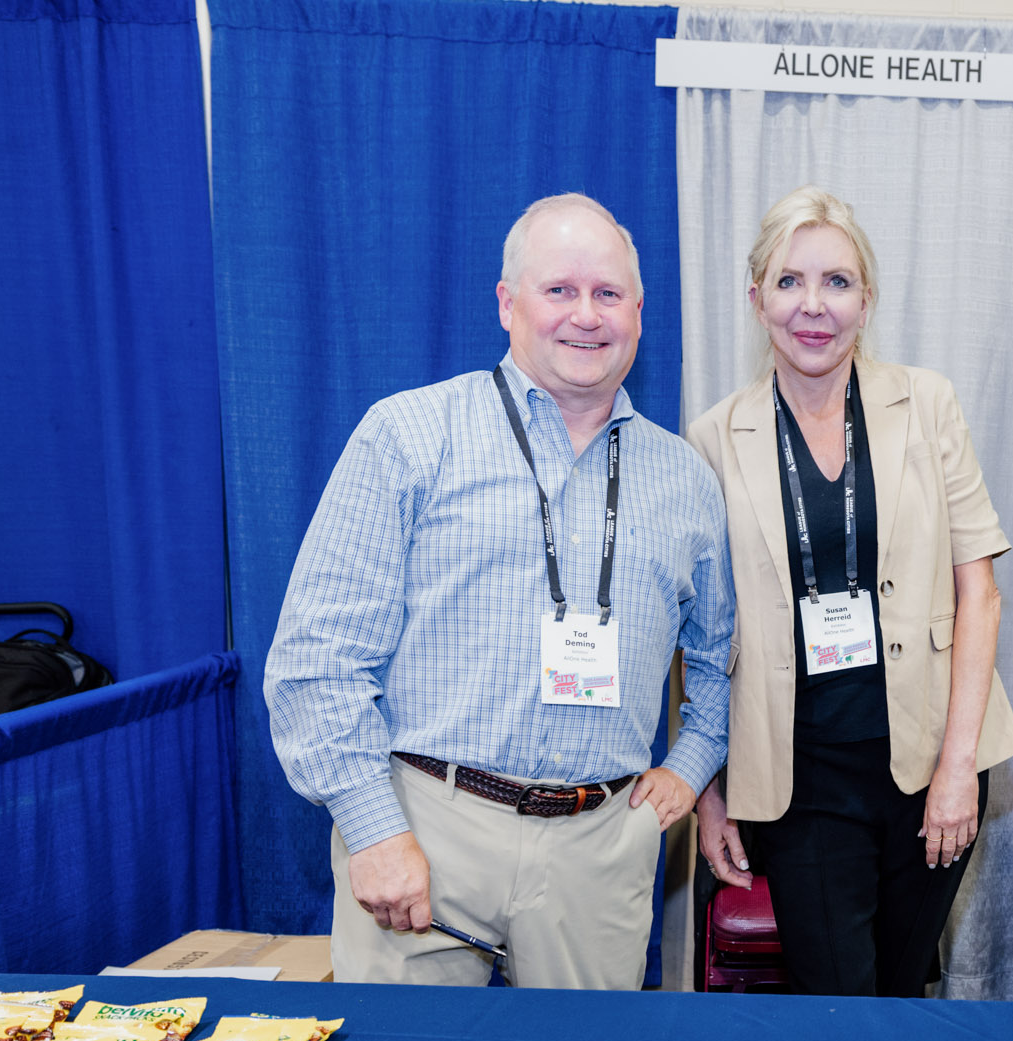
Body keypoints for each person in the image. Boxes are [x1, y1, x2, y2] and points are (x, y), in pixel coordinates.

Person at [265, 194, 733, 990]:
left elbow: (718, 658)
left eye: (608, 293)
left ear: (639, 312)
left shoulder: (686, 479)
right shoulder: (409, 436)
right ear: (508, 304)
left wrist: (691, 762)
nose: (586, 315)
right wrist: (372, 828)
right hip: (426, 831)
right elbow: (318, 658)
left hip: (600, 850)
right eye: (560, 290)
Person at [686, 186, 1013, 997]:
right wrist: (709, 793)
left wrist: (958, 768)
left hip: (932, 758)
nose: (814, 305)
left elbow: (979, 594)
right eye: (789, 281)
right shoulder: (713, 438)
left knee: (901, 992)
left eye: (836, 281)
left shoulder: (927, 404)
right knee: (836, 998)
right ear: (757, 298)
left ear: (866, 301)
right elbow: (699, 636)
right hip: (798, 777)